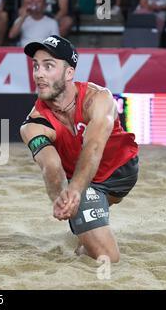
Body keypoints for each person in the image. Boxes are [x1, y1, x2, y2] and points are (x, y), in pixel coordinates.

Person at [20, 35, 139, 262]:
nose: (38, 74)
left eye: (48, 66)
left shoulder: (98, 98)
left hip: (122, 172)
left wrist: (73, 190)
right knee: (107, 258)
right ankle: (84, 233)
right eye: (36, 66)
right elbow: (50, 165)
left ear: (69, 73)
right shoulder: (33, 125)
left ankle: (85, 228)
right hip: (84, 183)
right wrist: (62, 198)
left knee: (88, 209)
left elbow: (94, 146)